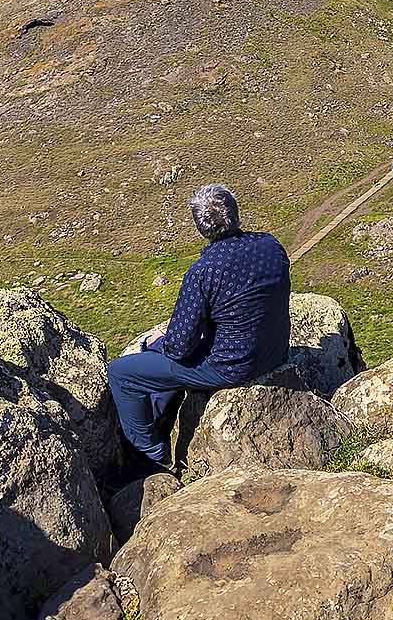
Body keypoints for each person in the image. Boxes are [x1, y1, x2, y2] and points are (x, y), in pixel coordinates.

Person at [107, 183, 292, 471]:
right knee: (159, 354)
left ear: (201, 227)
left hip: (231, 367)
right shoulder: (271, 245)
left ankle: (152, 456)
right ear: (235, 213)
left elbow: (179, 346)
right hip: (275, 352)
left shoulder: (204, 272)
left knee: (122, 372)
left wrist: (162, 341)